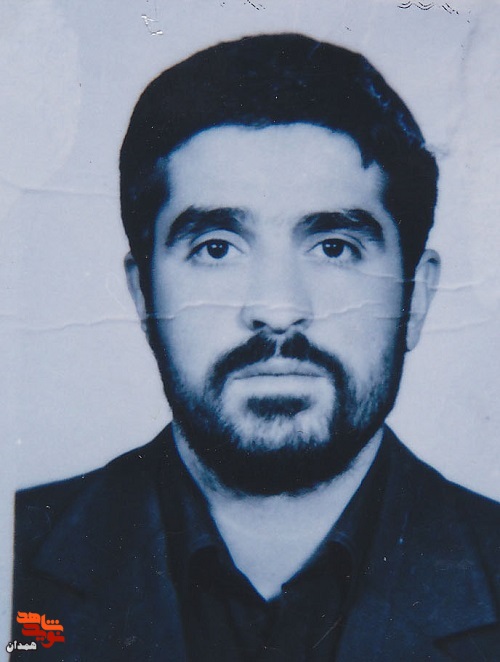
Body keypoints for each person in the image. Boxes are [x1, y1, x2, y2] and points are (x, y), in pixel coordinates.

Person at [12, 34, 500, 661]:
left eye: (334, 247)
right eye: (216, 248)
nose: (277, 308)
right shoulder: (14, 559)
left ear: (417, 296)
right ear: (143, 295)